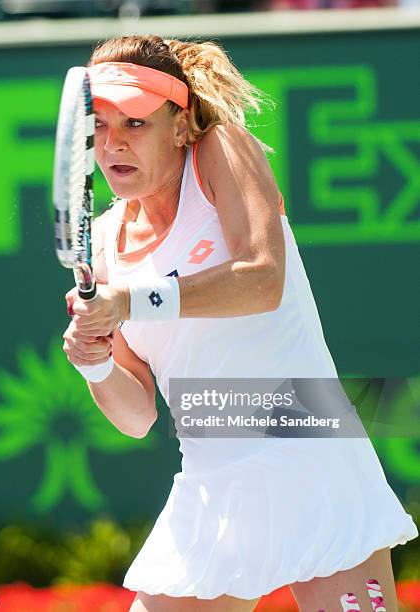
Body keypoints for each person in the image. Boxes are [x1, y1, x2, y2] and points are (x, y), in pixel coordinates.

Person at [62, 35, 418, 612]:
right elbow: (135, 417)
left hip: (309, 449)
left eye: (135, 122)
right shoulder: (104, 242)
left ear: (181, 127)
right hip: (211, 477)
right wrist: (94, 360)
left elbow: (261, 277)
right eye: (100, 126)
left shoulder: (220, 151)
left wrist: (128, 302)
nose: (114, 143)